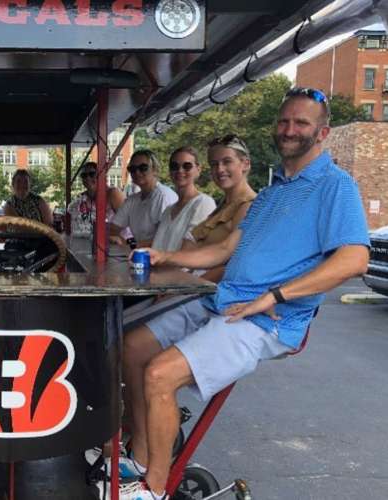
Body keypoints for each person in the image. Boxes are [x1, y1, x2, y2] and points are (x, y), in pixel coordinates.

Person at [109, 87, 370, 500]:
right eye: (284, 121)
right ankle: (141, 457)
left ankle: (154, 489)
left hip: (267, 318)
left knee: (160, 374)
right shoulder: (272, 191)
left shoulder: (335, 186)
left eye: (301, 122)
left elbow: (354, 259)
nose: (289, 129)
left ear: (322, 132)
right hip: (223, 301)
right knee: (133, 346)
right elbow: (228, 249)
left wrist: (276, 296)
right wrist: (167, 255)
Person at [181, 135, 257, 282]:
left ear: (245, 164)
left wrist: (184, 286)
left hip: (210, 293)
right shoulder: (223, 207)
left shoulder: (249, 206)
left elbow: (232, 265)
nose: (220, 169)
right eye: (214, 164)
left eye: (227, 162)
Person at [150, 147, 216, 251]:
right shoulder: (168, 211)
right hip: (160, 266)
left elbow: (191, 251)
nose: (180, 170)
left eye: (187, 166)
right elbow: (157, 248)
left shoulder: (203, 203)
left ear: (198, 169)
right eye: (174, 166)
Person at [110, 150, 178, 247]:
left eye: (143, 168)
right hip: (141, 255)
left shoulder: (163, 197)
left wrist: (130, 245)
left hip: (162, 258)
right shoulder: (132, 200)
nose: (137, 172)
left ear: (155, 169)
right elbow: (113, 229)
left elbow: (165, 238)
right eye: (132, 169)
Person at [67, 161, 126, 238]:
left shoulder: (113, 194)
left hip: (118, 242)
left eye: (92, 174)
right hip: (92, 242)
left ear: (101, 176)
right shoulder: (82, 198)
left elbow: (126, 221)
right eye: (84, 175)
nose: (88, 178)